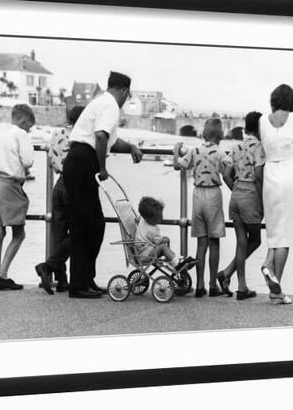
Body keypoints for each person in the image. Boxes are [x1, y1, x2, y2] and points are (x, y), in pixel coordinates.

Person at [62, 71, 143, 299]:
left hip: (79, 161)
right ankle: (78, 285)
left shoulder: (101, 103)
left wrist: (132, 148)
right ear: (125, 91)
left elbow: (111, 141)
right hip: (83, 162)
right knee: (84, 225)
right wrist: (102, 167)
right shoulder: (110, 106)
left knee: (94, 224)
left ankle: (86, 279)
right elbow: (100, 137)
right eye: (128, 95)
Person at [259, 84, 293, 304]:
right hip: (292, 175)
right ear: (292, 100)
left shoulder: (262, 120)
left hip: (271, 175)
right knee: (286, 234)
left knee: (274, 230)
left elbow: (265, 146)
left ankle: (268, 266)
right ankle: (276, 290)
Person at [173, 118, 229, 297]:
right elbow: (229, 168)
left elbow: (177, 165)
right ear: (220, 135)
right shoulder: (220, 153)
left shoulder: (194, 151)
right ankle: (213, 285)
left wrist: (176, 151)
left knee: (201, 243)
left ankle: (199, 285)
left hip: (197, 195)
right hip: (213, 195)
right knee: (214, 242)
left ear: (203, 134)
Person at [35, 105, 85, 295]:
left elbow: (52, 160)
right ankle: (49, 267)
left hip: (58, 185)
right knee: (79, 232)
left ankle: (61, 280)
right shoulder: (83, 137)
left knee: (59, 234)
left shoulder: (58, 134)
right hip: (73, 185)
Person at [0, 104, 35, 291]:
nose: (29, 130)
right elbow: (29, 160)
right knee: (19, 233)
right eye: (30, 126)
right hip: (9, 186)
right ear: (25, 120)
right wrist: (23, 167)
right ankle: (2, 274)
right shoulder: (20, 134)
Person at [219, 111, 265, 300]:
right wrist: (262, 200)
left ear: (246, 128)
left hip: (236, 195)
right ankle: (236, 281)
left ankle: (234, 280)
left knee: (241, 242)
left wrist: (236, 189)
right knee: (255, 240)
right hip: (251, 196)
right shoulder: (259, 147)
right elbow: (259, 174)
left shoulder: (236, 147)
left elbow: (226, 174)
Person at [135, 196, 196, 270]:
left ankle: (175, 260)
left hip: (140, 253)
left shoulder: (142, 219)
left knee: (163, 247)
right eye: (159, 218)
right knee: (163, 247)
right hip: (144, 256)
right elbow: (158, 241)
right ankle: (177, 264)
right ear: (149, 219)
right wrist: (165, 239)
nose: (162, 218)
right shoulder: (152, 229)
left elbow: (138, 218)